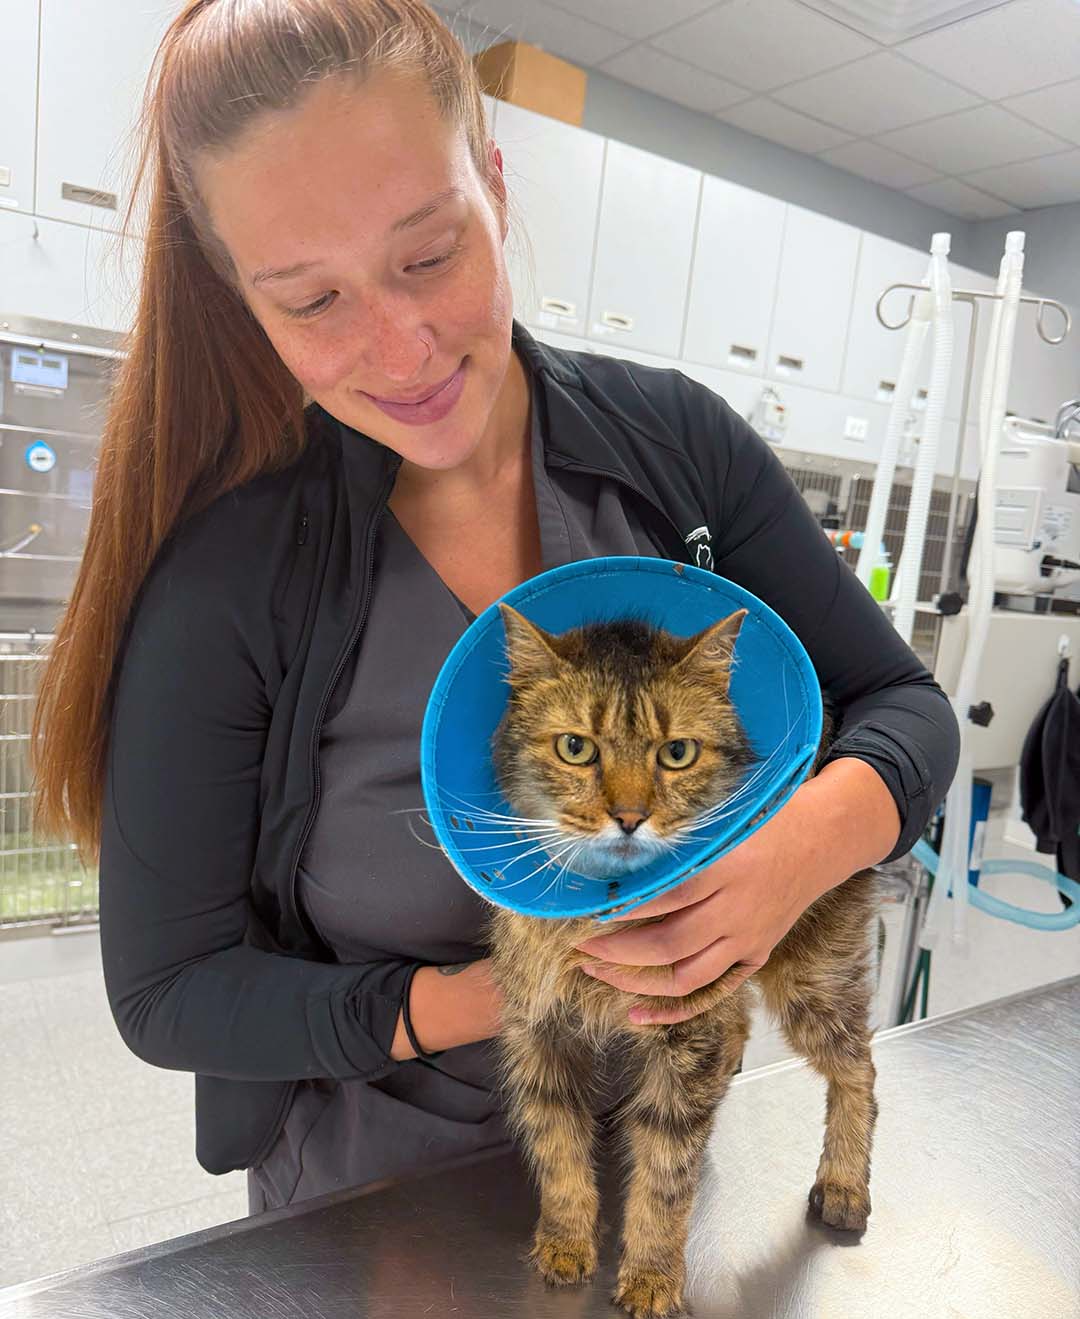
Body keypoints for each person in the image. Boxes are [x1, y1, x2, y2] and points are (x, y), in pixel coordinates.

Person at [32, 0, 959, 1215]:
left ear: (496, 188)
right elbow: (170, 993)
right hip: (373, 1204)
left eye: (429, 254)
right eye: (311, 301)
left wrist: (793, 855)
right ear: (241, 301)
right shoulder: (232, 580)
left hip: (666, 1162)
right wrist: (512, 992)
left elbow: (904, 707)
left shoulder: (676, 448)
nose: (402, 343)